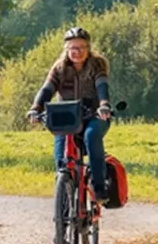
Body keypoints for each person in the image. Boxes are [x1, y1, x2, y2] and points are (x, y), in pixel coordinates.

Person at [27, 26, 114, 199]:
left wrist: (104, 105)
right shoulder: (59, 68)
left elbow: (102, 85)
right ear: (66, 50)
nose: (77, 52)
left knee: (91, 136)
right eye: (73, 48)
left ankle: (99, 187)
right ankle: (63, 196)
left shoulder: (97, 64)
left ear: (88, 48)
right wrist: (35, 108)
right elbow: (47, 89)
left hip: (94, 115)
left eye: (82, 47)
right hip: (66, 118)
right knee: (61, 157)